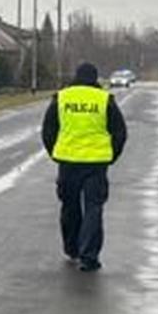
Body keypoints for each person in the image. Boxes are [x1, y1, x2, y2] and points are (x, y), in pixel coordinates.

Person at [41, 62, 128, 273]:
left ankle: (72, 248)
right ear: (95, 78)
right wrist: (110, 156)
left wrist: (55, 152)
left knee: (70, 206)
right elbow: (120, 132)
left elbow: (48, 129)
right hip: (96, 164)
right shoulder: (104, 99)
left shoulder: (61, 98)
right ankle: (89, 256)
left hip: (68, 162)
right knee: (93, 208)